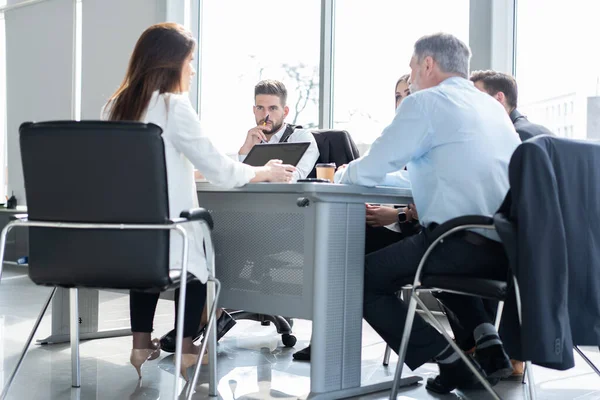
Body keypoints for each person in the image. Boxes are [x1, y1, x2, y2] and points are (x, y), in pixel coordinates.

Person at [103, 22, 296, 381]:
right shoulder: (173, 106)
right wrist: (264, 171)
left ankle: (140, 341)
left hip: (128, 239)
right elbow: (222, 171)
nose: (192, 69)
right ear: (171, 63)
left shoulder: (113, 107)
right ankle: (189, 346)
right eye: (190, 61)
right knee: (200, 251)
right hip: (173, 234)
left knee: (158, 249)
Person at [335, 33, 520, 394]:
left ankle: (451, 363)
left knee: (355, 279)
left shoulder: (425, 104)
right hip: (506, 248)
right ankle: (489, 343)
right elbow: (414, 168)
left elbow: (372, 167)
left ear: (428, 64)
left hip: (459, 243)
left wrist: (339, 176)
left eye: (411, 68)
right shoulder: (491, 107)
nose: (412, 77)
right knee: (427, 248)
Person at [292, 74, 419, 362]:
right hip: (392, 223)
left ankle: (329, 338)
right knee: (335, 238)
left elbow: (417, 191)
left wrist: (394, 214)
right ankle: (327, 337)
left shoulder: (422, 134)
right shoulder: (393, 135)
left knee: (341, 249)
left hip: (415, 230)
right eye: (397, 96)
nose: (402, 101)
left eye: (408, 93)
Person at [238, 80, 320, 181]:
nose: (265, 115)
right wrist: (245, 151)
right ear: (254, 110)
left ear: (285, 112)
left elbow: (290, 179)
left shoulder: (301, 138)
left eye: (272, 108)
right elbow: (241, 183)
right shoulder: (251, 140)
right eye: (260, 108)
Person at [470, 70, 554, 141]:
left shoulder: (515, 136)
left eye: (478, 97)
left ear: (499, 98)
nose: (473, 103)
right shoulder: (541, 131)